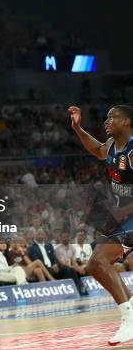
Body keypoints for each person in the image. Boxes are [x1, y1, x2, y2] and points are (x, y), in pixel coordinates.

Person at [70, 104, 133, 345]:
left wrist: (121, 212)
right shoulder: (110, 147)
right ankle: (130, 311)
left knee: (98, 261)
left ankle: (129, 319)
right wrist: (78, 128)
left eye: (112, 117)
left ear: (126, 122)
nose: (106, 121)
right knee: (95, 265)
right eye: (106, 117)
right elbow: (96, 148)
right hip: (125, 216)